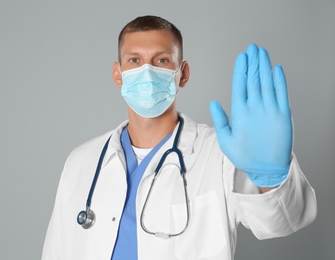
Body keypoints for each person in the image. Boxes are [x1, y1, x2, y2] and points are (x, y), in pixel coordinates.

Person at [42, 15, 317, 260]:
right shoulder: (81, 161)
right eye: (134, 60)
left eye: (161, 60)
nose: (147, 72)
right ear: (118, 74)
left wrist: (270, 179)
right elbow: (56, 251)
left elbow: (281, 223)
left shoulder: (220, 154)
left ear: (182, 74)